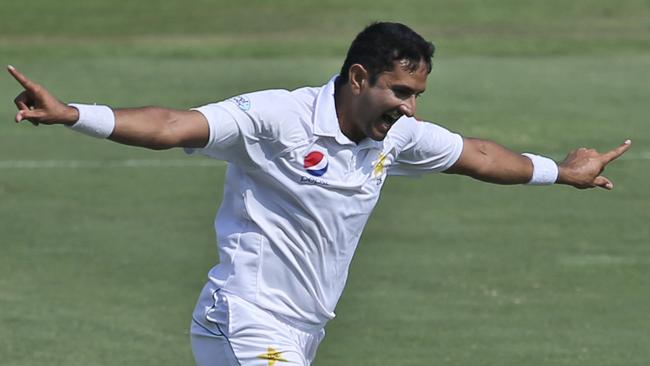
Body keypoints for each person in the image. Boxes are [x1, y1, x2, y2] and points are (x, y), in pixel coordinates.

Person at [8, 22, 630, 366]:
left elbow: (479, 156)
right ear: (359, 77)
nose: (409, 107)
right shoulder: (279, 117)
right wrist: (72, 115)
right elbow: (172, 125)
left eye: (416, 95)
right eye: (398, 91)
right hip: (244, 320)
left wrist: (560, 171)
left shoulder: (397, 134)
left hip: (303, 330)